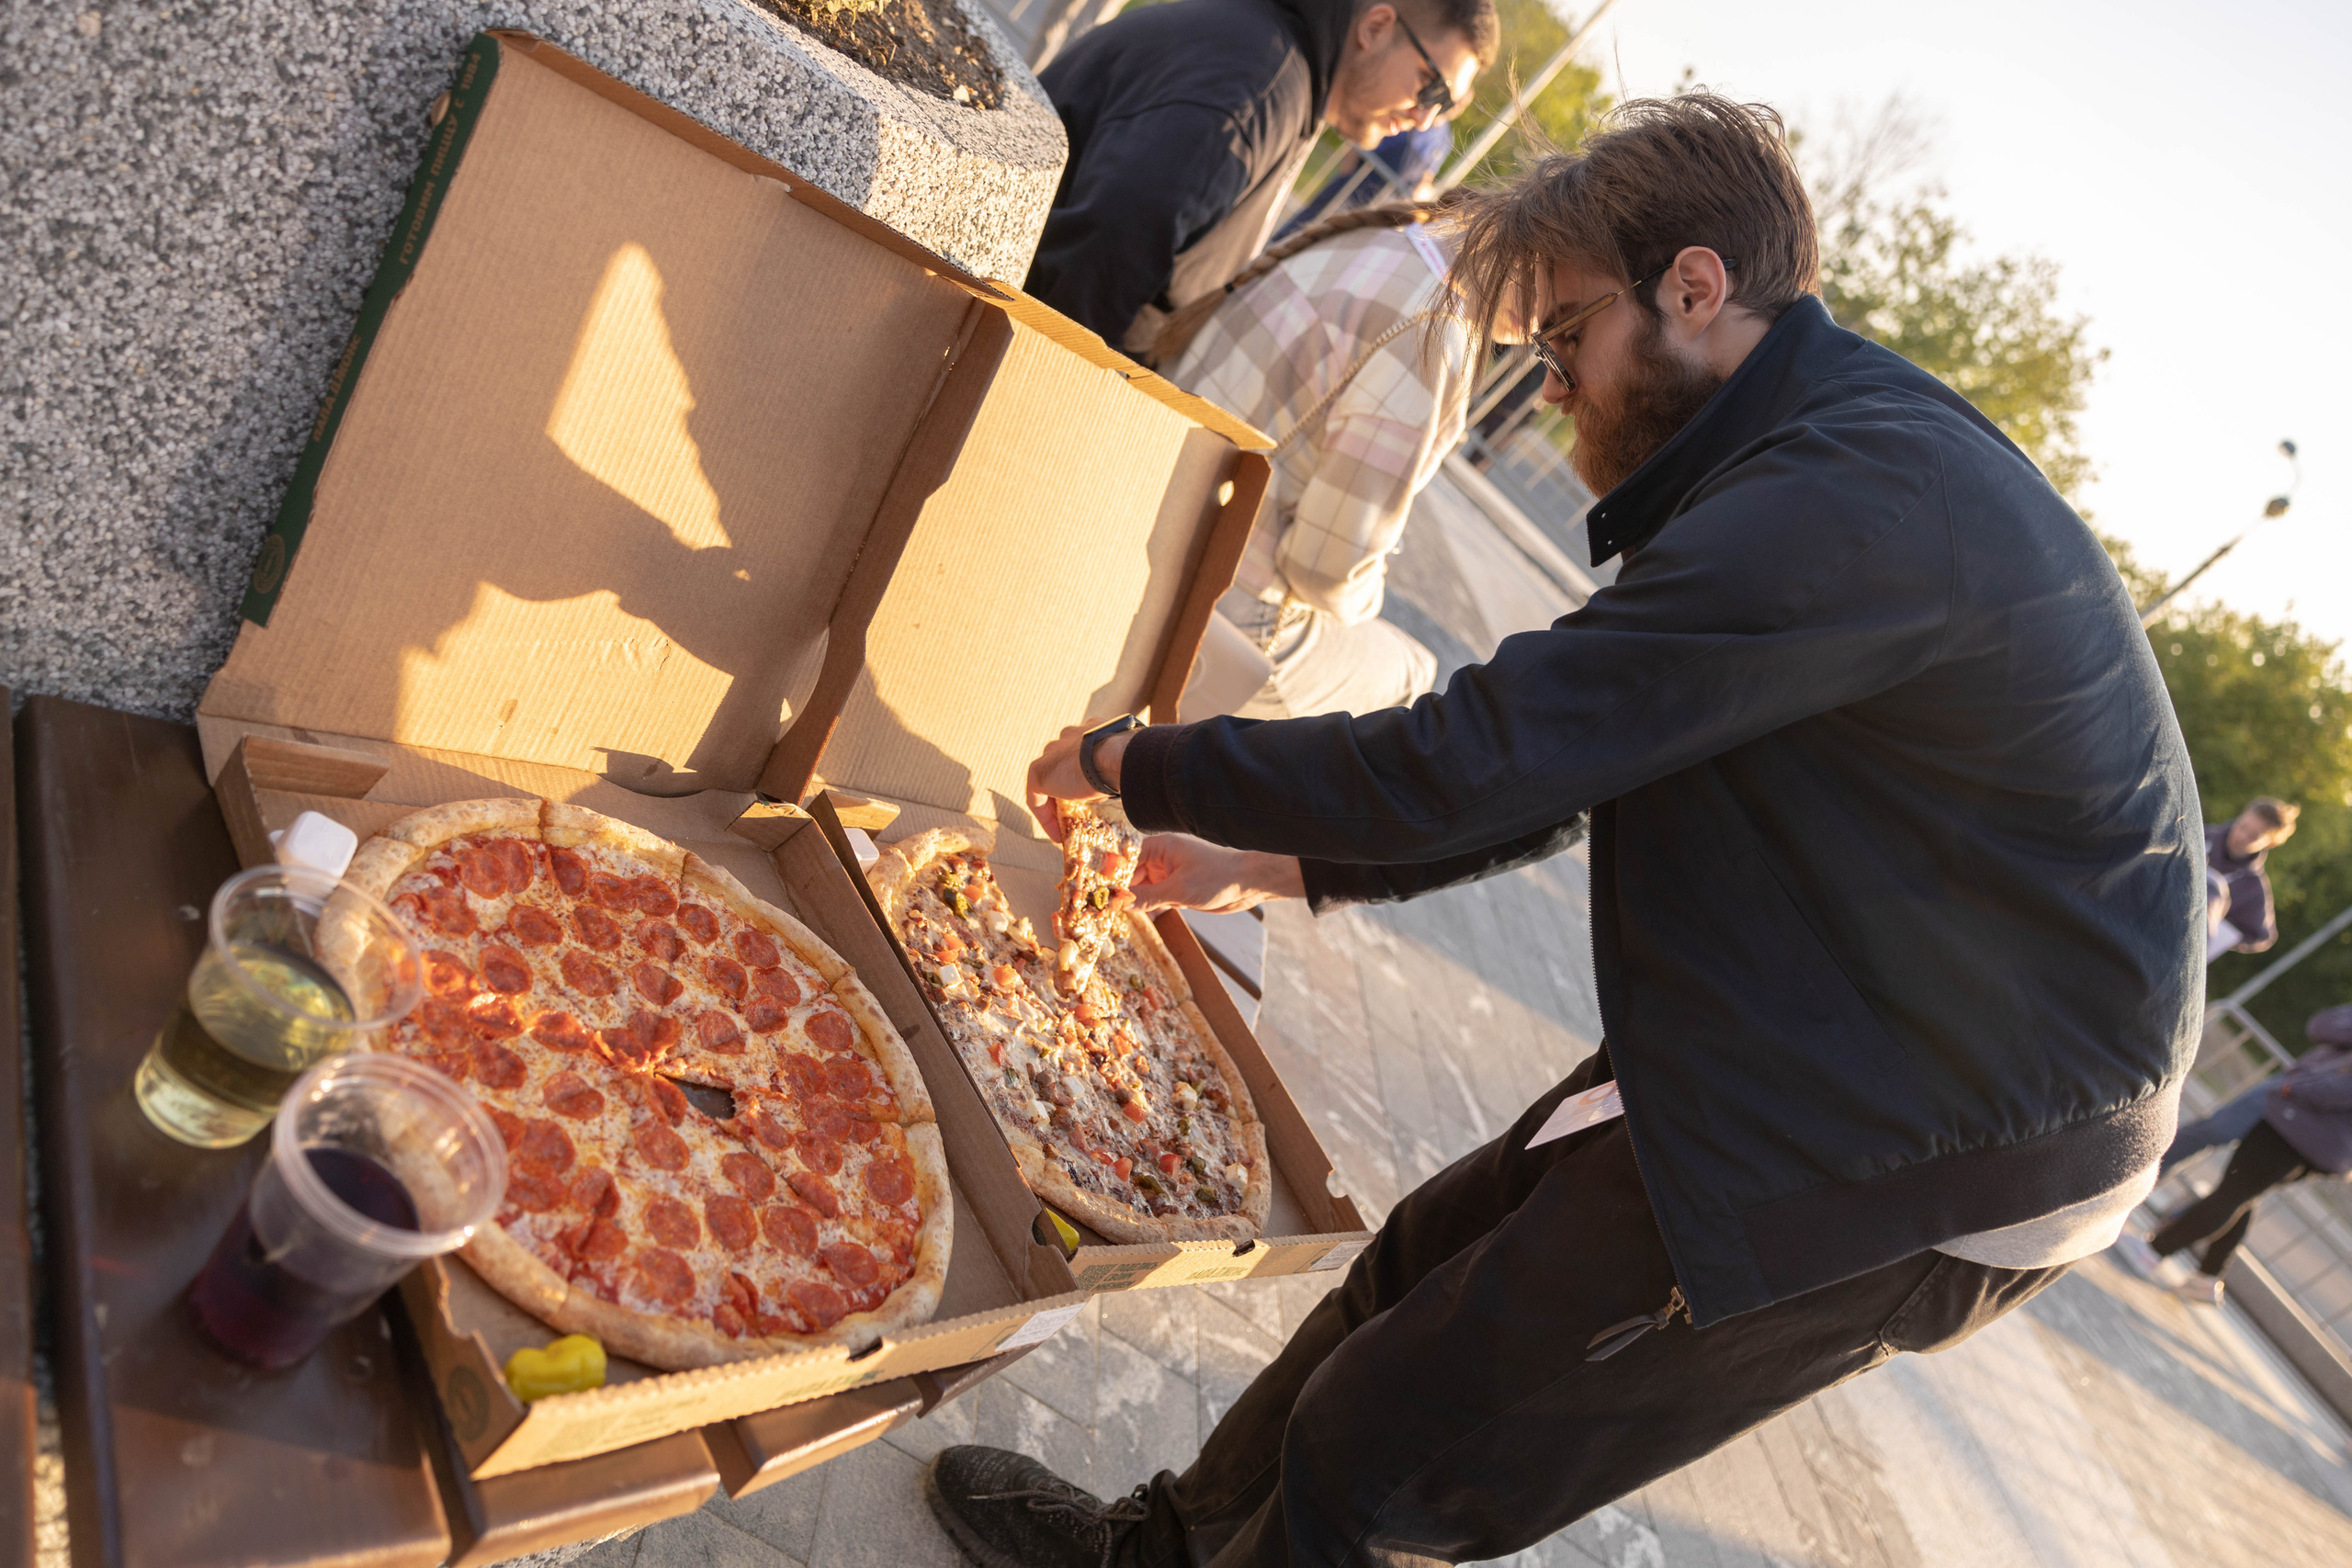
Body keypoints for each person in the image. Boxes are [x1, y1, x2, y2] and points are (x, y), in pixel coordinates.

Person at [923, 96, 2200, 1568]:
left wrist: (1137, 764)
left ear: (1695, 288)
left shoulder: (1853, 499)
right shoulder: (1809, 456)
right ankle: (1159, 1551)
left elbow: (1489, 747)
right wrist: (1280, 855)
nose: (1558, 386)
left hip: (1921, 1135)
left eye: (1566, 336)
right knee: (1406, 1275)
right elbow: (1584, 763)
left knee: (1394, 1455)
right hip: (1831, 1020)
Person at [1023, 0, 1496, 357]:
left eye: (1445, 106)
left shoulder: (1276, 64)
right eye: (1431, 87)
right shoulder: (1257, 92)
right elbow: (1103, 254)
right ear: (1375, 27)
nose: (1426, 117)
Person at [1156, 199, 1475, 720]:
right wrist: (1369, 593)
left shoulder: (1383, 240)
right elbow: (1326, 574)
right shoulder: (1434, 329)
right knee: (1414, 672)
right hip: (1216, 606)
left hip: (1147, 509)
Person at [2131, 1005, 2352, 1305]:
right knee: (2243, 1194)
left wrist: (2293, 1089)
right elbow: (2321, 1024)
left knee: (2232, 1191)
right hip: (2314, 1135)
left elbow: (2338, 1088)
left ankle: (2152, 1252)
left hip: (2297, 1123)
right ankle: (2207, 1278)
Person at [2206, 795, 2298, 959]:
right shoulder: (2198, 835)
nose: (2241, 836)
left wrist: (2216, 931)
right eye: (2242, 826)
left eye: (2253, 836)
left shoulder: (2253, 889)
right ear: (2241, 815)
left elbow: (2261, 937)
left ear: (2271, 844)